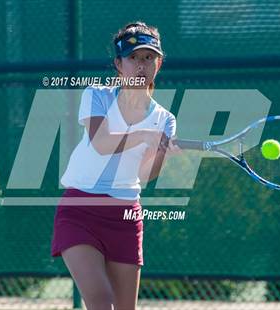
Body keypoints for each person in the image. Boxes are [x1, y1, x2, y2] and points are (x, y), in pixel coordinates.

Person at [51, 21, 181, 310]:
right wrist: (143, 136)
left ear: (159, 63)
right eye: (133, 58)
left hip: (125, 215)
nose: (141, 65)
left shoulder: (165, 119)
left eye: (148, 57)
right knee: (101, 301)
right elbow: (101, 142)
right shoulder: (96, 95)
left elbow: (144, 175)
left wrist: (162, 154)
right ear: (118, 64)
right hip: (80, 209)